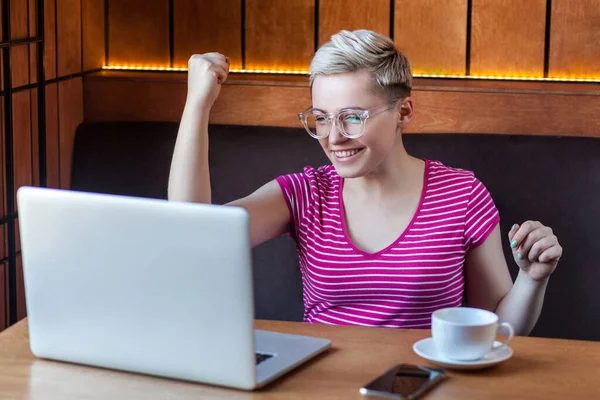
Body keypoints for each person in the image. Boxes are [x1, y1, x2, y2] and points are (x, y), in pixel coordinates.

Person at [168, 30, 562, 335]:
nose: (333, 137)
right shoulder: (305, 194)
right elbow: (193, 234)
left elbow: (495, 329)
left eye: (353, 116)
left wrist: (531, 279)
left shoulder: (461, 194)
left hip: (425, 384)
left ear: (403, 112)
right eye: (321, 118)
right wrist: (197, 102)